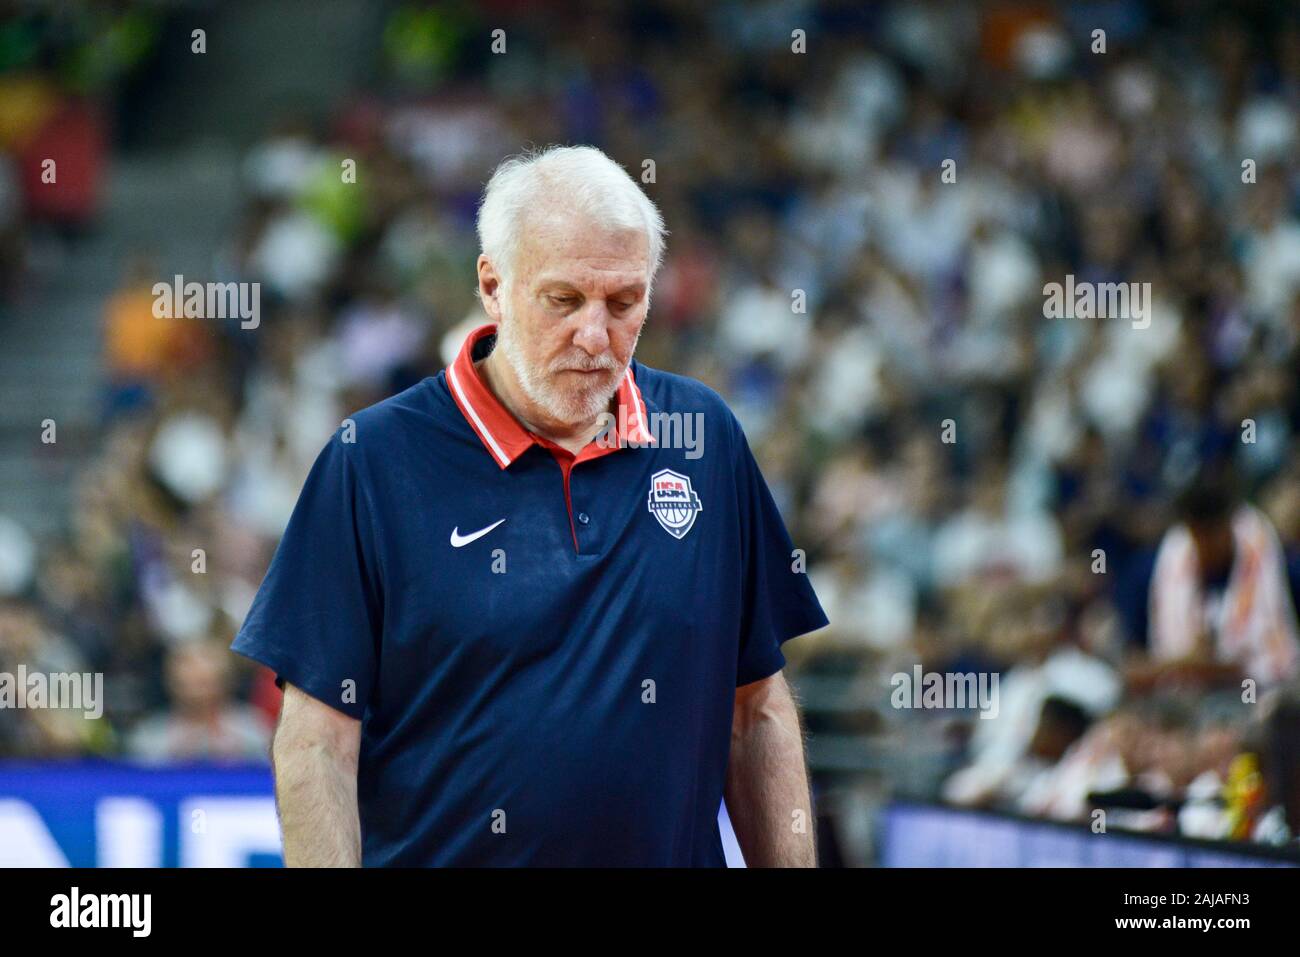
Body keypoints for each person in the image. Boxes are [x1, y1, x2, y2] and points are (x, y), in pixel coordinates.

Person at [231, 145, 829, 866]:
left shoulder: (704, 438)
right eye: (564, 299)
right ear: (493, 284)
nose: (595, 336)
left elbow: (756, 707)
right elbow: (316, 741)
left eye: (624, 302)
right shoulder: (374, 460)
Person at [1141, 476, 1300, 691]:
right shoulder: (1167, 560)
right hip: (1189, 700)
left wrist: (1193, 663)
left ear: (1228, 525)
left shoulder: (1281, 566)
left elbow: (1266, 658)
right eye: (1196, 537)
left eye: (1210, 536)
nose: (1203, 546)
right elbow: (1144, 663)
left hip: (1263, 692)